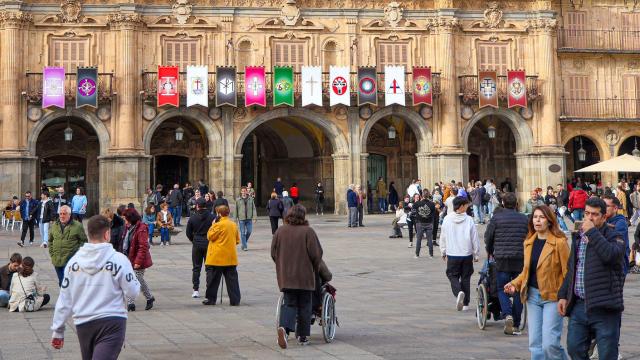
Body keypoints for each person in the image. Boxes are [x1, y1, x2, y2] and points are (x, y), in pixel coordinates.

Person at [50, 215, 140, 359]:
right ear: (107, 234)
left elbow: (64, 299)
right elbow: (133, 292)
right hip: (112, 321)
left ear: (89, 234)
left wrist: (58, 330)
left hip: (83, 323)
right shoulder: (119, 260)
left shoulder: (73, 263)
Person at [558, 197, 625, 360]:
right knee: (574, 348)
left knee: (607, 353)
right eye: (587, 213)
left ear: (604, 217)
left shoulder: (615, 236)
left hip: (605, 305)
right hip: (580, 304)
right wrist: (563, 295)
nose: (589, 218)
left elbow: (610, 255)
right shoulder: (579, 237)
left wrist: (592, 232)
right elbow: (572, 268)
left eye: (594, 215)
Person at [503, 205, 570, 359]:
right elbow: (526, 272)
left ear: (550, 221)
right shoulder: (529, 242)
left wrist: (565, 296)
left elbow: (568, 273)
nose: (537, 220)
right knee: (535, 344)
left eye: (541, 217)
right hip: (532, 296)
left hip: (553, 297)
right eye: (535, 217)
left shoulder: (559, 242)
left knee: (550, 344)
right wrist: (514, 283)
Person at [272, 205, 324, 348]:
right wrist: (314, 267)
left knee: (289, 304)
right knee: (305, 305)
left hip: (286, 276)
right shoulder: (308, 232)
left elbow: (273, 253)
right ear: (303, 216)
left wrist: (282, 265)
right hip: (305, 276)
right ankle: (302, 337)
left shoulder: (280, 231)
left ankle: (284, 328)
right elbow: (317, 254)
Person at [484, 192, 528, 335]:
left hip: (502, 258)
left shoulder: (496, 218)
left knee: (503, 288)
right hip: (520, 258)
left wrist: (490, 250)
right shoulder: (524, 219)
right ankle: (515, 322)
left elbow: (489, 237)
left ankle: (507, 314)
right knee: (517, 288)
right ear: (516, 204)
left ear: (502, 203)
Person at [440, 197, 479, 311]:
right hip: (466, 254)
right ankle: (466, 303)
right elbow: (474, 238)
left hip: (452, 253)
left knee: (452, 275)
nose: (467, 207)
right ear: (461, 206)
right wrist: (476, 253)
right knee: (466, 277)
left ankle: (458, 292)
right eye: (466, 205)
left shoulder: (447, 219)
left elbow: (443, 236)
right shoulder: (469, 220)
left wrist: (443, 251)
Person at [203, 205, 241, 306]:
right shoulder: (233, 224)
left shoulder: (217, 225)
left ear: (219, 214)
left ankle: (211, 299)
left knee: (214, 281)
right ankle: (235, 300)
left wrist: (212, 225)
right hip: (230, 257)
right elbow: (237, 240)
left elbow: (210, 236)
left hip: (217, 258)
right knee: (232, 281)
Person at [121, 209, 154, 312]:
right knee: (129, 279)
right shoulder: (128, 227)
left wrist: (138, 262)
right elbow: (124, 241)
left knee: (137, 277)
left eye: (125, 219)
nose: (125, 221)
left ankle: (149, 297)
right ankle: (131, 303)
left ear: (131, 218)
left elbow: (143, 246)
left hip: (139, 259)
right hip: (129, 257)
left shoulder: (141, 228)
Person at [49, 205, 87, 287]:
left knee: (67, 283)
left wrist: (76, 256)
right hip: (57, 260)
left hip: (70, 261)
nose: (62, 216)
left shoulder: (77, 226)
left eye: (64, 214)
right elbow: (50, 241)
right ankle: (66, 298)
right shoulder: (54, 225)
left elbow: (83, 242)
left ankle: (70, 298)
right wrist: (52, 254)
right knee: (61, 282)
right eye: (60, 214)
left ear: (69, 215)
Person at [186, 198, 215, 299]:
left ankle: (195, 290)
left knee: (196, 268)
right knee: (209, 268)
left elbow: (188, 232)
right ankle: (209, 289)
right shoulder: (212, 217)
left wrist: (193, 239)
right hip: (208, 244)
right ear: (205, 205)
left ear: (197, 206)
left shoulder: (192, 217)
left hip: (197, 244)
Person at [602, 195, 630, 276]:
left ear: (615, 208)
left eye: (607, 206)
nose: (603, 208)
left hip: (618, 265)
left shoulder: (620, 222)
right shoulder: (604, 221)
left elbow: (616, 241)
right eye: (602, 205)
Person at [412, 192, 436, 258]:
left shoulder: (417, 203)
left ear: (421, 196)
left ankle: (417, 254)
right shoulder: (432, 204)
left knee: (419, 239)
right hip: (429, 223)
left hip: (419, 223)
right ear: (428, 196)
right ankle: (431, 254)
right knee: (429, 239)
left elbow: (413, 212)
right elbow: (433, 214)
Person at [235, 186, 257, 251]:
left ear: (246, 191)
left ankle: (244, 243)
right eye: (242, 191)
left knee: (249, 231)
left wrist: (255, 217)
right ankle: (245, 246)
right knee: (242, 232)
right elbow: (236, 210)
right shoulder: (238, 200)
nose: (244, 192)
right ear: (241, 192)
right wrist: (235, 220)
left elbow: (254, 208)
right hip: (241, 218)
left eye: (245, 191)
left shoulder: (250, 199)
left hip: (249, 218)